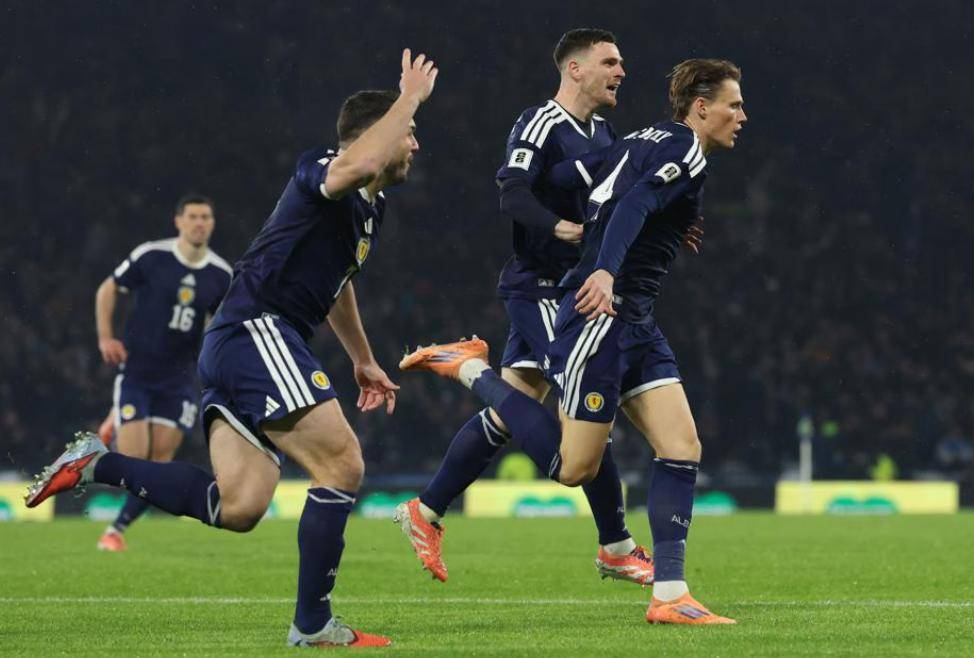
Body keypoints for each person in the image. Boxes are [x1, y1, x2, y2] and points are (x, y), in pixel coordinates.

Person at [26, 49, 439, 648]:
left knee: (239, 506)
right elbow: (361, 161)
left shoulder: (370, 211)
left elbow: (339, 285)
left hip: (238, 343)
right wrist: (408, 98)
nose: (415, 144)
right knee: (343, 464)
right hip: (257, 330)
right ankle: (313, 625)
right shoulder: (323, 166)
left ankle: (96, 464)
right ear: (376, 133)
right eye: (409, 133)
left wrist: (361, 358)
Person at [400, 58, 745, 626]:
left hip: (636, 320)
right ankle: (469, 370)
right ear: (702, 107)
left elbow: (590, 188)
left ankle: (670, 594)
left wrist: (671, 219)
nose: (742, 115)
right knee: (573, 467)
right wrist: (604, 269)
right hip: (600, 315)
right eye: (734, 104)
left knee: (682, 446)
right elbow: (632, 203)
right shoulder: (683, 148)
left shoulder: (641, 138)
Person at [392, 28, 654, 586]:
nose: (621, 71)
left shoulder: (604, 133)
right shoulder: (540, 123)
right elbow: (511, 192)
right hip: (544, 288)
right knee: (586, 409)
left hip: (573, 287)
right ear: (575, 69)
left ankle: (426, 510)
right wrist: (562, 227)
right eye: (610, 61)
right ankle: (615, 544)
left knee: (509, 411)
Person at [93, 195, 232, 551]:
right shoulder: (152, 256)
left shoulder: (221, 274)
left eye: (205, 217)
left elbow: (217, 327)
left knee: (159, 464)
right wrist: (106, 337)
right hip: (138, 373)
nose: (199, 223)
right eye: (193, 216)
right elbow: (108, 288)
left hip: (180, 379)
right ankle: (115, 419)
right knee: (134, 460)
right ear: (178, 221)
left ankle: (115, 530)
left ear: (212, 223)